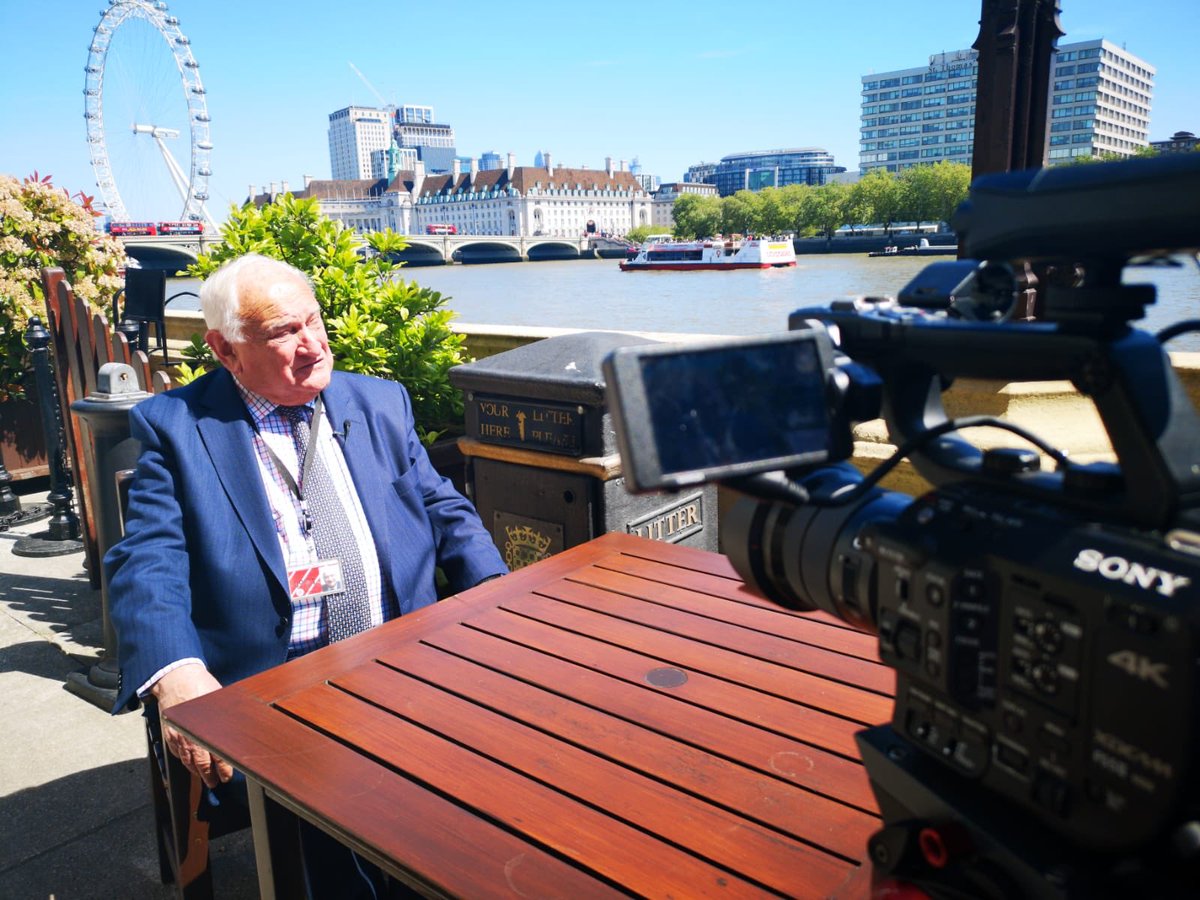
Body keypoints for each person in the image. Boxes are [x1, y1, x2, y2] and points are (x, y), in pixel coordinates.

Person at [106, 252, 507, 895]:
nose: (312, 346)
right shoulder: (177, 427)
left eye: (313, 321)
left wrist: (494, 593)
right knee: (353, 837)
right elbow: (148, 558)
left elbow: (442, 507)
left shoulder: (378, 402)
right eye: (282, 333)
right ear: (225, 350)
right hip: (275, 689)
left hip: (400, 660)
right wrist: (177, 671)